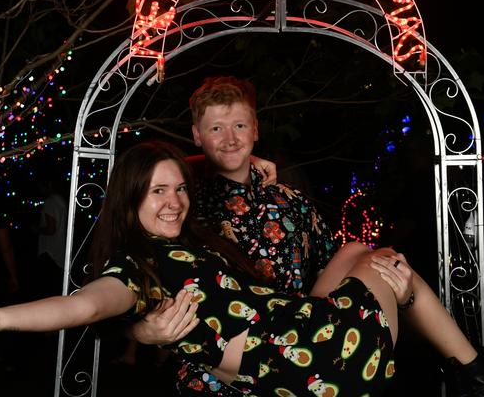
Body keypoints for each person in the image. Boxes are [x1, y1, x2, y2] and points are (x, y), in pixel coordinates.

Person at [0, 141, 484, 396]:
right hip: (329, 354)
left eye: (177, 188)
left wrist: (260, 170)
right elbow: (83, 306)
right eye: (155, 193)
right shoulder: (134, 270)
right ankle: (475, 372)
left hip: (303, 336)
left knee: (355, 254)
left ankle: (475, 373)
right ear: (130, 203)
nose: (172, 201)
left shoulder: (193, 245)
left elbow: (226, 166)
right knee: (388, 262)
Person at [128, 76, 337, 394]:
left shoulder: (294, 203)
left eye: (239, 126)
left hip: (297, 371)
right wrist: (140, 331)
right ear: (197, 136)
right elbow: (132, 280)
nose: (230, 139)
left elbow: (331, 275)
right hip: (212, 380)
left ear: (255, 129)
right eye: (216, 129)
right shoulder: (181, 209)